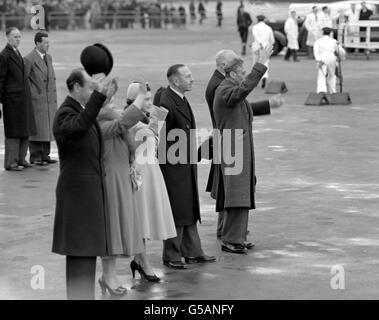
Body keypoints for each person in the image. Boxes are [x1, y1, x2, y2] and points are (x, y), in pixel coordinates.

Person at [205, 49, 283, 241]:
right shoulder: (221, 87)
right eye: (240, 71)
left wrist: (268, 104)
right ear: (227, 69)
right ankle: (231, 235)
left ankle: (231, 232)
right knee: (233, 192)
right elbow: (241, 94)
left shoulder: (223, 83)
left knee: (232, 191)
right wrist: (260, 65)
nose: (243, 74)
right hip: (231, 145)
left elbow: (241, 104)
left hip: (232, 143)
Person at [52, 69, 116, 300]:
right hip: (77, 197)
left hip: (87, 196)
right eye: (90, 87)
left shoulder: (80, 111)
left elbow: (88, 120)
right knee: (81, 255)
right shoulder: (65, 114)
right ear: (76, 88)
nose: (94, 91)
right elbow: (79, 126)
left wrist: (103, 96)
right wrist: (99, 97)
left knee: (86, 255)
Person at [156, 64, 216, 269]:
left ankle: (193, 251)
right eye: (187, 76)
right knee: (176, 210)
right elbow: (157, 135)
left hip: (184, 164)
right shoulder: (165, 101)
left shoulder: (178, 97)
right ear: (175, 80)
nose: (192, 79)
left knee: (188, 207)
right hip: (173, 167)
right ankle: (171, 255)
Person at [127, 82, 177, 281]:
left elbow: (153, 142)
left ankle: (139, 260)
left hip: (151, 169)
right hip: (138, 172)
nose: (150, 102)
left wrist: (156, 120)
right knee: (139, 220)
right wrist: (154, 124)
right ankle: (142, 261)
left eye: (149, 98)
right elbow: (133, 146)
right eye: (145, 99)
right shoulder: (130, 119)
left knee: (145, 218)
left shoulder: (143, 117)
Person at [0, 27, 36, 171]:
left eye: (19, 37)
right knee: (14, 132)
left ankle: (21, 159)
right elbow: (0, 79)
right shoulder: (4, 55)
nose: (18, 39)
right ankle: (11, 162)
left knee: (24, 129)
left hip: (22, 98)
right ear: (7, 37)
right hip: (12, 100)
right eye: (15, 37)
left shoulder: (16, 52)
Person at [24, 32, 58, 166]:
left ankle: (45, 155)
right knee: (37, 128)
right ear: (37, 43)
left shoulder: (48, 57)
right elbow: (23, 80)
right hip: (37, 99)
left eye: (48, 42)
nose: (48, 45)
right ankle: (35, 156)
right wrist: (34, 93)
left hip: (48, 99)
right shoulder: (28, 59)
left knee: (47, 126)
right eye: (45, 42)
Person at [313, 27, 346, 94]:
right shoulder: (334, 41)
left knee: (322, 75)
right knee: (331, 75)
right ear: (330, 33)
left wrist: (318, 60)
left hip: (322, 58)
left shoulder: (318, 41)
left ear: (322, 33)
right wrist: (342, 58)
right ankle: (333, 91)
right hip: (331, 58)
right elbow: (342, 52)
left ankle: (321, 90)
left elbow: (315, 51)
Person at [251, 15, 274, 89]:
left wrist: (260, 42)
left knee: (255, 63)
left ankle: (255, 80)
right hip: (266, 47)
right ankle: (264, 77)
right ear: (264, 20)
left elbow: (255, 35)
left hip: (257, 47)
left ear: (257, 20)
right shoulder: (268, 28)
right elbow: (272, 40)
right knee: (265, 63)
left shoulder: (255, 27)